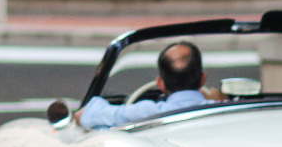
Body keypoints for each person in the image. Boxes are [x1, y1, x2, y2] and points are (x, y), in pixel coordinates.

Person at [75, 41, 224, 128]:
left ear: (161, 84)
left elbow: (84, 115)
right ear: (203, 78)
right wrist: (221, 101)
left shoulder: (145, 112)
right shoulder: (224, 110)